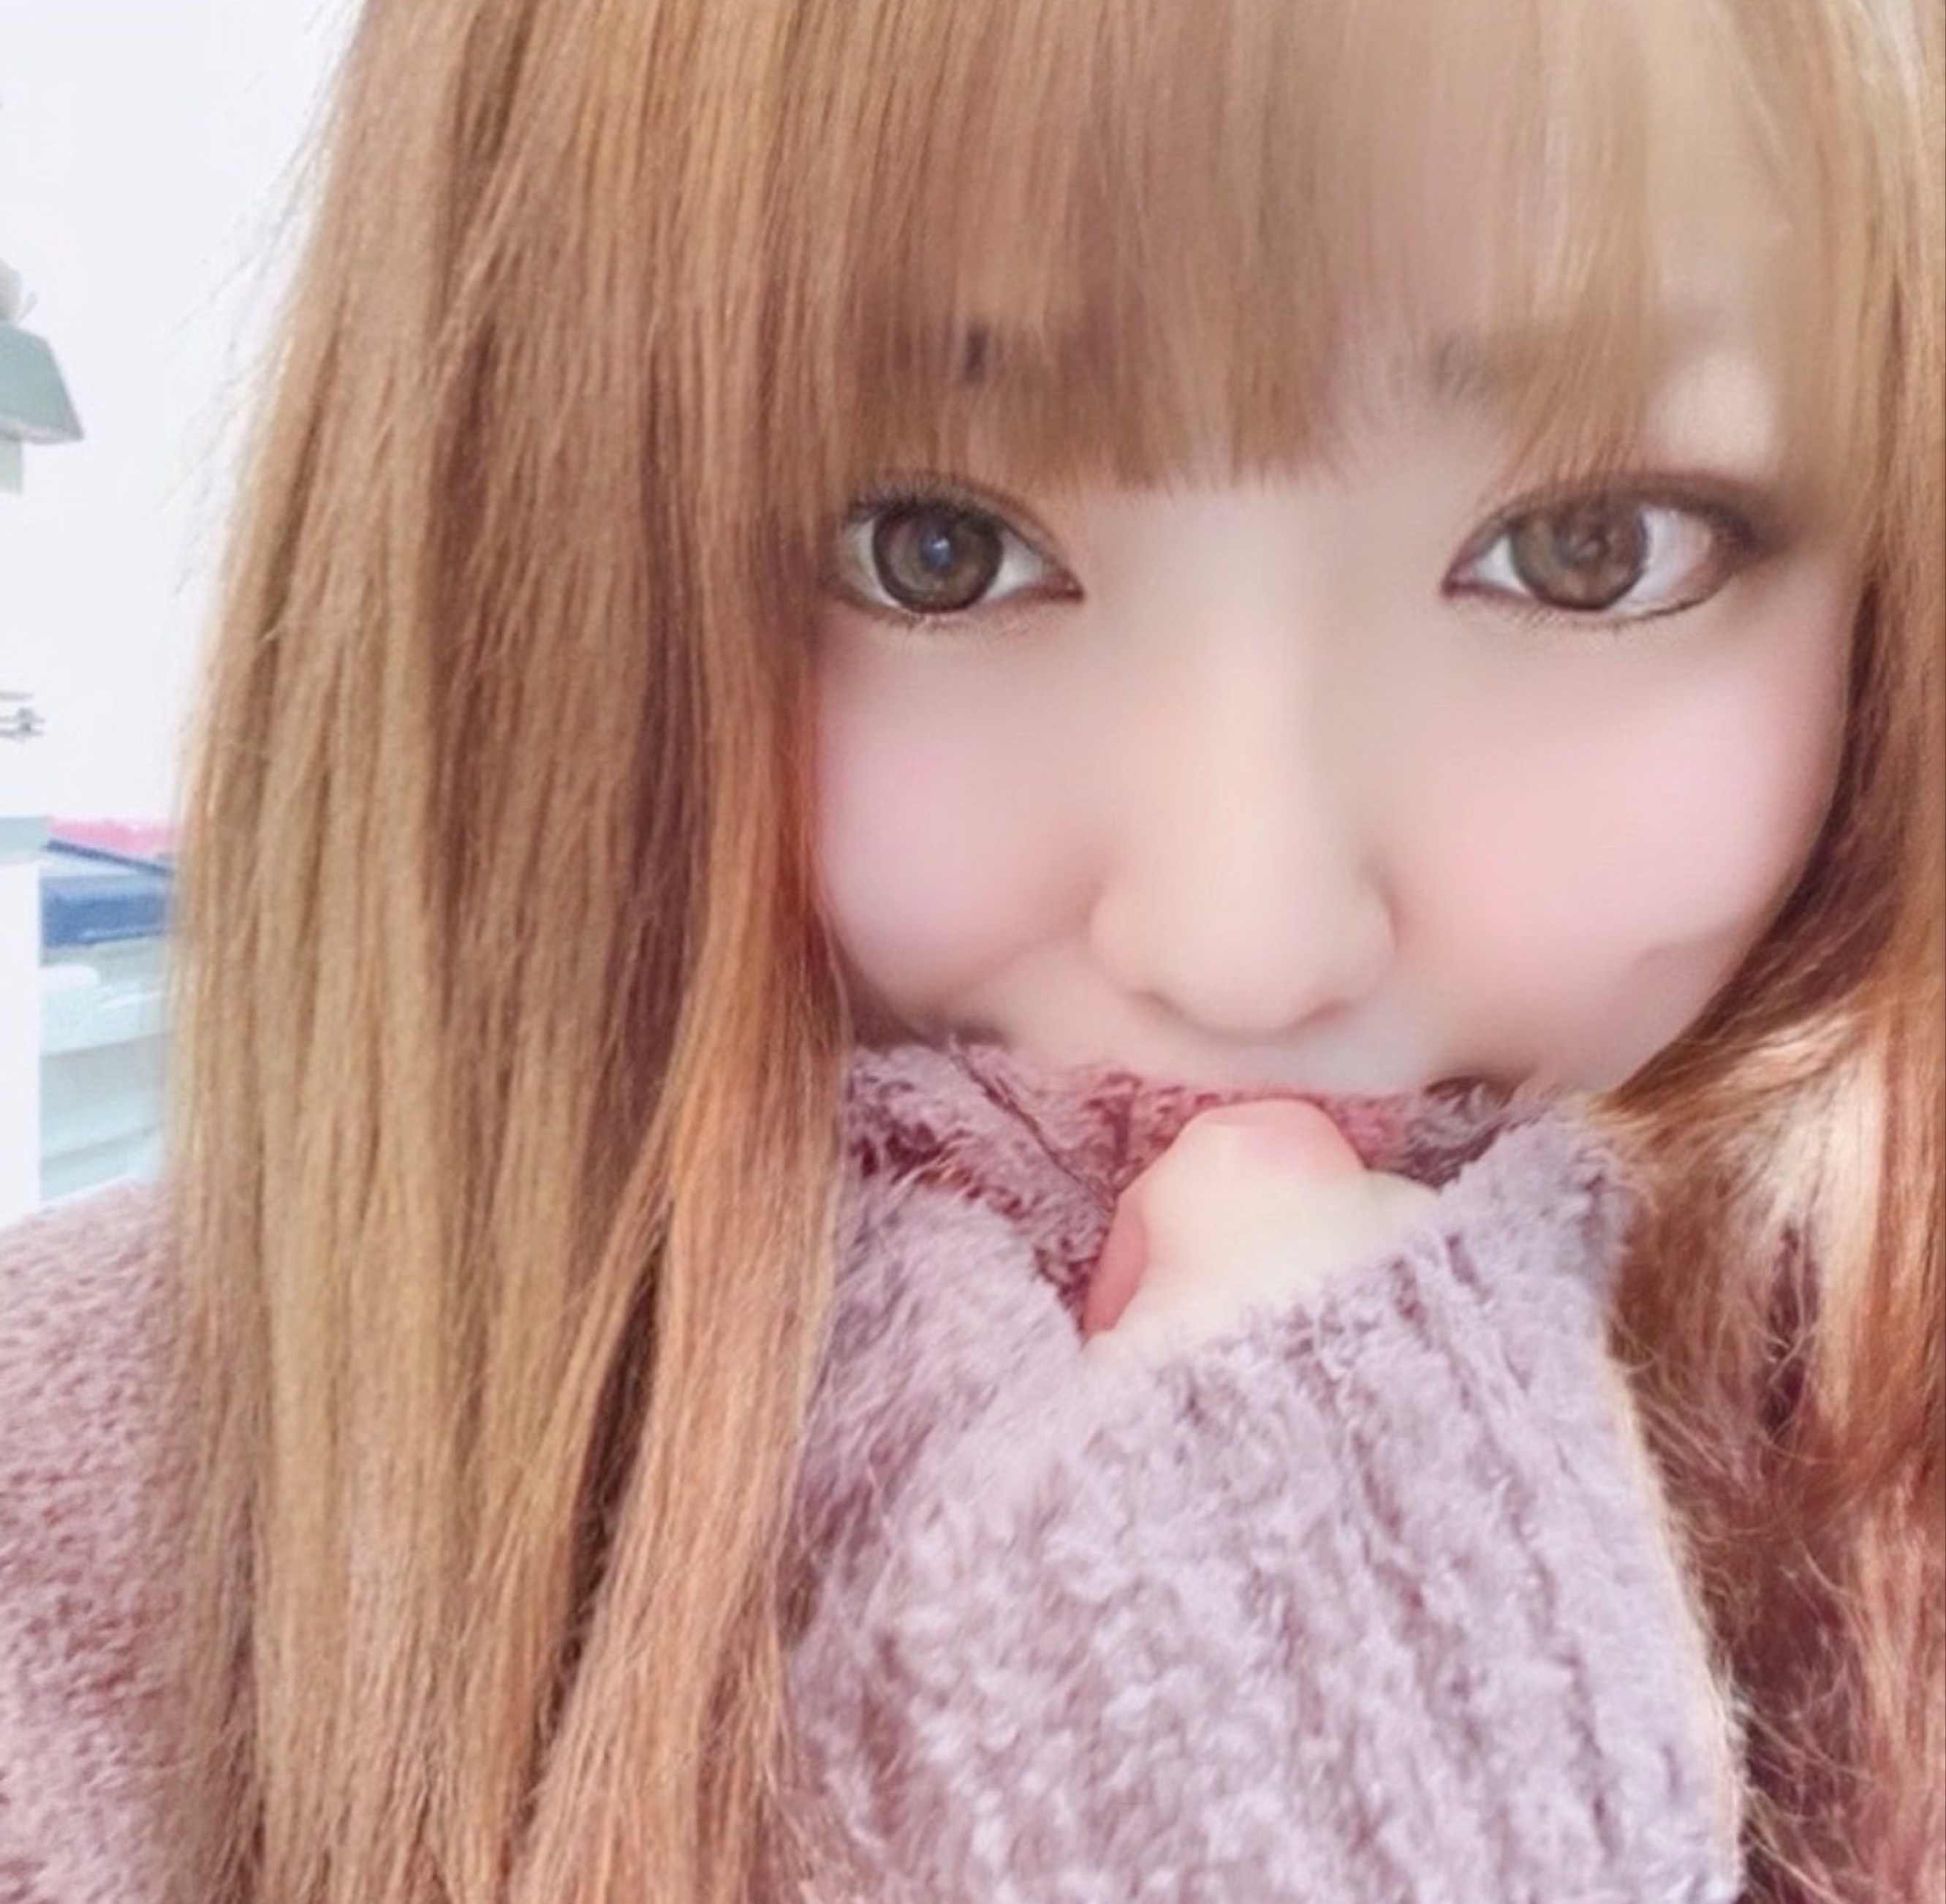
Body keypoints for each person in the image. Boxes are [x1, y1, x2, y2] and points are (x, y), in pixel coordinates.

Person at [0, 0, 1938, 1900]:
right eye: (934, 548)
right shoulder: (69, 1546)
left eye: (1591, 549)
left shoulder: (1885, 1423)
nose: (1244, 947)